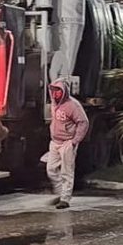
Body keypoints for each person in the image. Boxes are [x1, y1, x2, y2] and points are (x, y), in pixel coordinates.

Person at [44, 78, 89, 209]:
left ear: (64, 92)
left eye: (58, 91)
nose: (55, 94)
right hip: (55, 142)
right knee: (51, 169)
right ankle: (60, 192)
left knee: (67, 171)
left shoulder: (73, 105)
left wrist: (74, 141)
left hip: (67, 143)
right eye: (53, 91)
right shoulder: (54, 103)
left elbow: (83, 122)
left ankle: (65, 199)